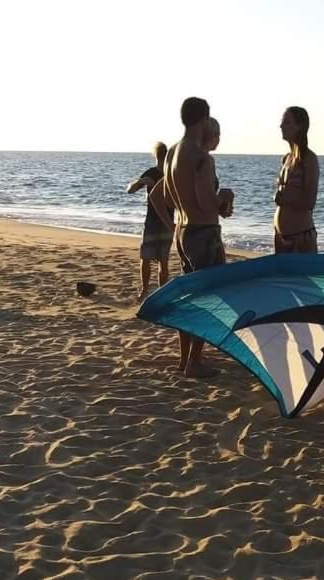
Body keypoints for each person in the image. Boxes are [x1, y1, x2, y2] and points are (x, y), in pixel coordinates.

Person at [147, 97, 234, 378]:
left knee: (189, 298)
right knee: (206, 299)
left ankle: (186, 360)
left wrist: (173, 227)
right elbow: (206, 202)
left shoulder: (172, 152)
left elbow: (157, 196)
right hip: (204, 233)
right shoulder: (200, 156)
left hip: (184, 233)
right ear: (204, 119)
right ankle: (195, 362)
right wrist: (225, 197)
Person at [126, 142, 173, 301]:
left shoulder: (172, 174)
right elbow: (130, 190)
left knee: (163, 260)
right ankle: (145, 290)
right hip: (153, 221)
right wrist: (141, 182)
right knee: (146, 257)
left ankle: (161, 293)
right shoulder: (151, 173)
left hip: (167, 220)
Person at [273, 106, 319, 253]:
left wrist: (285, 198)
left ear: (299, 127)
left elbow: (310, 201)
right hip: (281, 237)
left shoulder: (308, 159)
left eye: (286, 122)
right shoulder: (286, 158)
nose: (281, 126)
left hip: (300, 238)